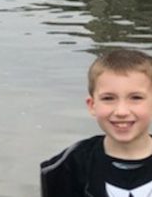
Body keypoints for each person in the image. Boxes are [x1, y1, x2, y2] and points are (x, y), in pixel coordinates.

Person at [41, 48, 152, 196]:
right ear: (92, 105)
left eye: (136, 98)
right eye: (108, 98)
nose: (121, 112)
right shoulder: (66, 167)